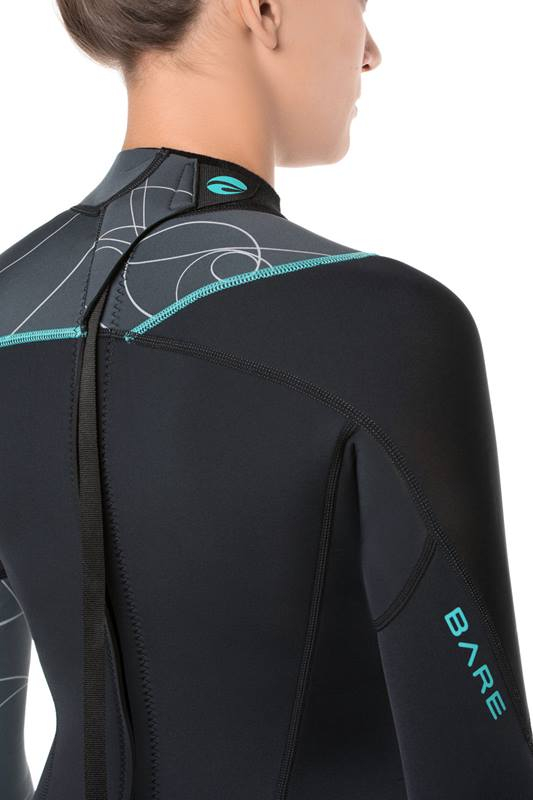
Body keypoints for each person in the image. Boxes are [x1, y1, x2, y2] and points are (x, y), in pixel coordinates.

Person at [0, 1, 532, 798]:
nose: (370, 51)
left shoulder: (10, 307)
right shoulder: (381, 323)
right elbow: (475, 762)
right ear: (264, 8)